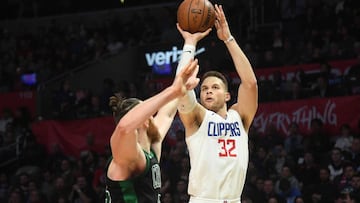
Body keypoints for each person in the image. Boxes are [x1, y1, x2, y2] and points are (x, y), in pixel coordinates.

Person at [175, 4, 258, 203]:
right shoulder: (197, 118)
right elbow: (180, 86)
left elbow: (250, 83)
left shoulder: (240, 117)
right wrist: (190, 43)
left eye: (214, 87)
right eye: (204, 89)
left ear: (228, 96)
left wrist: (228, 39)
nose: (208, 91)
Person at [104, 59, 200, 203]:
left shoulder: (151, 145)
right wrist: (173, 91)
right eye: (145, 110)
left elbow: (166, 113)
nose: (151, 112)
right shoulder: (127, 155)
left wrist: (190, 43)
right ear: (142, 120)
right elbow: (124, 128)